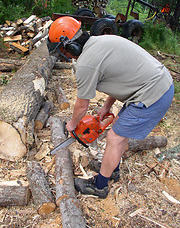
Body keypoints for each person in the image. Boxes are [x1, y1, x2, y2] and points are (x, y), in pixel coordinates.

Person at [47, 16, 174, 199]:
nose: (65, 56)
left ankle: (99, 186)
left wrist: (72, 125)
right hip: (157, 83)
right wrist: (106, 106)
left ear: (70, 47)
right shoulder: (102, 41)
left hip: (154, 93)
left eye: (63, 52)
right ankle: (112, 169)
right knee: (119, 133)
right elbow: (121, 76)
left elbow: (82, 105)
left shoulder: (86, 64)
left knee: (115, 137)